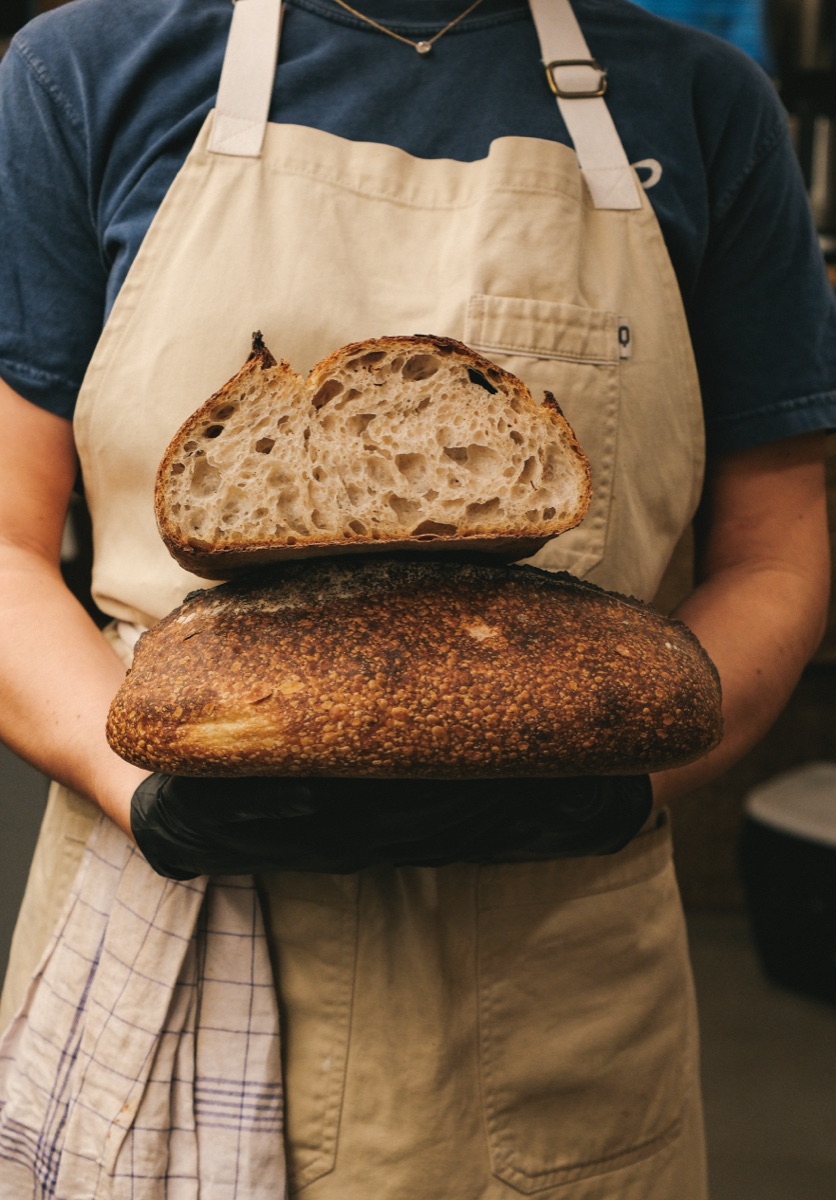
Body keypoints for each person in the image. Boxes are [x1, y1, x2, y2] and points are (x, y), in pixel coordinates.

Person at [0, 0, 833, 1196]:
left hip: (552, 979)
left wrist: (620, 785)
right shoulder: (90, 72)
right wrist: (144, 791)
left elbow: (778, 552)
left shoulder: (700, 103)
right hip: (181, 934)